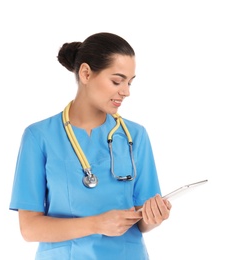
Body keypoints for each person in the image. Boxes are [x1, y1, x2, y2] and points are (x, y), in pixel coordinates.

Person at [9, 32, 172, 260]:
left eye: (129, 82)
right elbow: (29, 228)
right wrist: (97, 224)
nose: (126, 91)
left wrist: (153, 218)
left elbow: (142, 221)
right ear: (86, 73)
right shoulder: (39, 137)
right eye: (117, 81)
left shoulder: (136, 135)